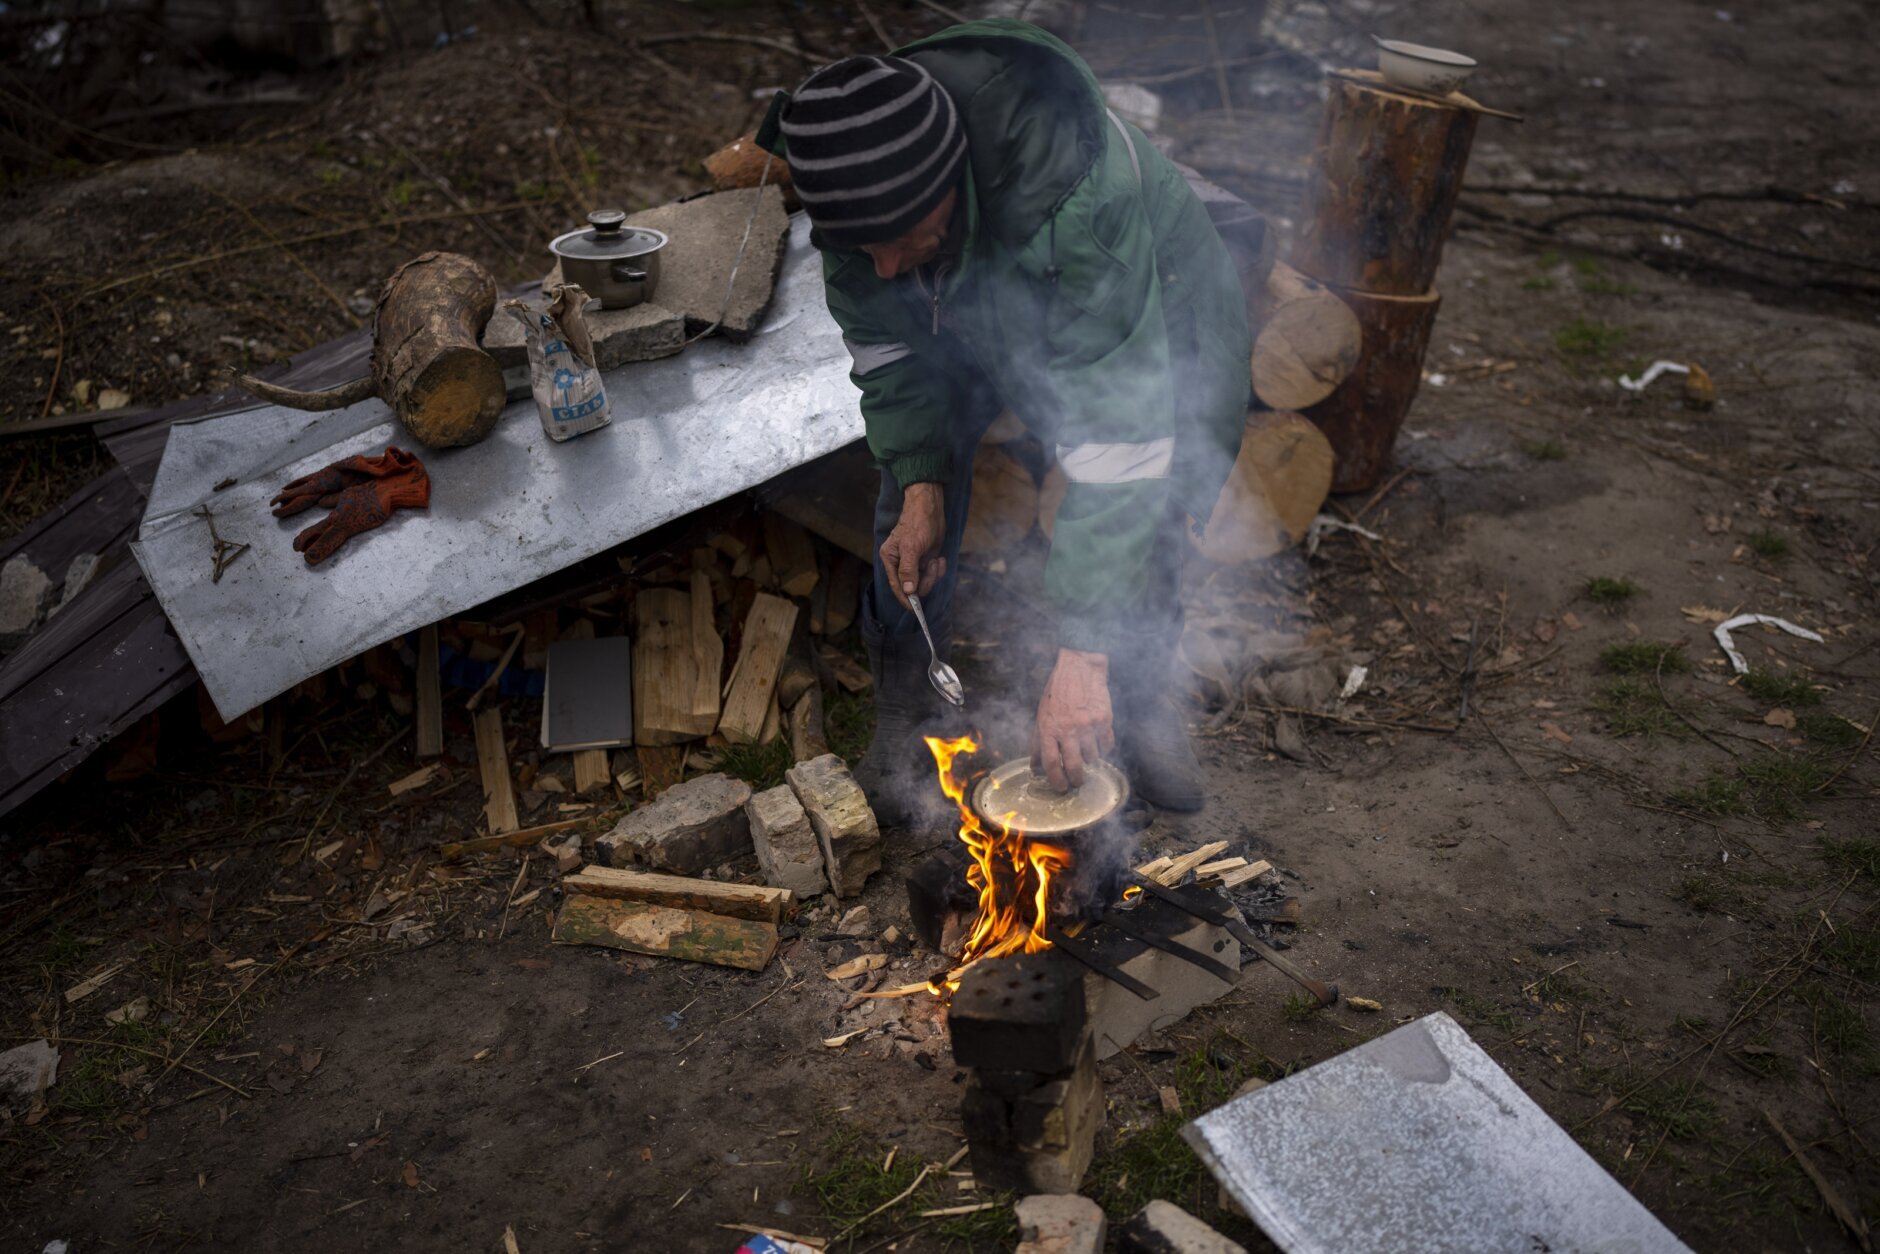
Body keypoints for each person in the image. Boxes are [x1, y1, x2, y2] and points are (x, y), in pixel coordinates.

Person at [757, 18, 1251, 822]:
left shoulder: (1078, 201)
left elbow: (1122, 444)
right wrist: (920, 482)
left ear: (948, 184)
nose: (880, 267)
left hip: (1147, 292)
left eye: (894, 241)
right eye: (862, 250)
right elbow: (888, 359)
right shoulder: (858, 204)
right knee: (904, 495)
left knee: (1152, 485)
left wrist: (1081, 652)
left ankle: (1132, 690)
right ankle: (906, 713)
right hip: (979, 287)